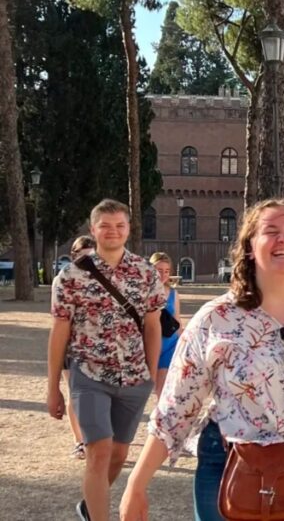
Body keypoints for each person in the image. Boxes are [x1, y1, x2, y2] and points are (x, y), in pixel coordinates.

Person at [119, 198, 284, 521]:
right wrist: (136, 484)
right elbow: (175, 406)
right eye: (271, 231)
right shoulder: (217, 318)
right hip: (228, 471)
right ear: (250, 246)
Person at [47, 200, 165, 521]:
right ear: (93, 229)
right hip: (89, 374)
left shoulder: (145, 273)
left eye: (119, 225)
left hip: (134, 377)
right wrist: (53, 388)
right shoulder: (70, 277)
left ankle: (89, 505)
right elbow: (59, 332)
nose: (112, 231)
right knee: (98, 453)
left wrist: (151, 375)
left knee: (119, 454)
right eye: (105, 226)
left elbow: (153, 325)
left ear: (128, 229)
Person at [63, 236, 97, 461]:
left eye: (92, 257)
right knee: (75, 395)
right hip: (72, 347)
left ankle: (97, 437)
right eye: (83, 257)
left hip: (100, 348)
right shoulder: (65, 280)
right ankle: (79, 441)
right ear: (75, 256)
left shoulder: (107, 279)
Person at [148, 252, 182, 398]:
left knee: (161, 389)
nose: (163, 275)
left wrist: (186, 342)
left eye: (167, 271)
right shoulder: (143, 292)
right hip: (149, 345)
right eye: (159, 271)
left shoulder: (173, 293)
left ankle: (159, 419)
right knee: (149, 387)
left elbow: (177, 321)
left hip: (170, 344)